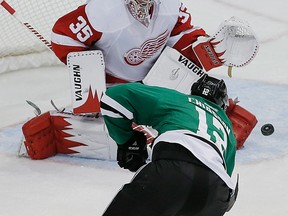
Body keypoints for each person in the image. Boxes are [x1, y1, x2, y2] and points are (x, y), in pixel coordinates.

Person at [100, 74, 238, 216]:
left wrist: (127, 141)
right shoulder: (228, 130)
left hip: (172, 171)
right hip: (216, 194)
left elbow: (113, 98)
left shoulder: (180, 100)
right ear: (223, 105)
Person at [51, 0, 219, 85]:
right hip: (115, 89)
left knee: (211, 97)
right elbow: (63, 36)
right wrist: (91, 84)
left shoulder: (170, 4)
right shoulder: (103, 10)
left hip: (157, 83)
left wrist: (208, 49)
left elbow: (181, 35)